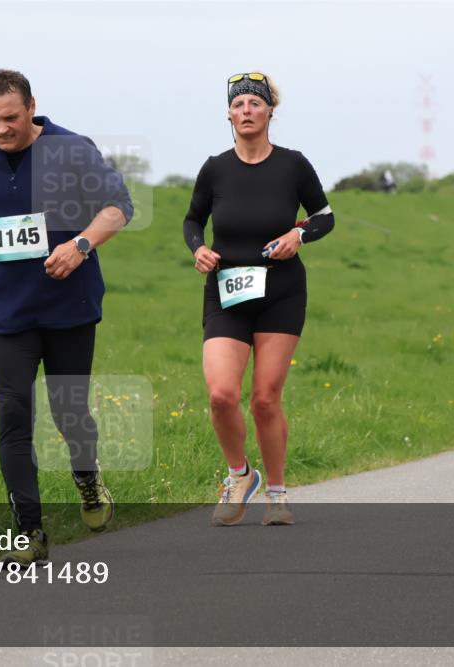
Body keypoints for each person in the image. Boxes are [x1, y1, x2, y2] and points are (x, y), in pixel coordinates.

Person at [0, 69, 133, 565]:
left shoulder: (72, 150)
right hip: (6, 311)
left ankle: (87, 480)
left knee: (69, 413)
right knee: (13, 415)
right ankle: (30, 533)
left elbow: (118, 207)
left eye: (9, 118)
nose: (0, 129)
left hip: (69, 308)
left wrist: (81, 244)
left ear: (31, 108)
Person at [182, 72, 335, 527]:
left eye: (255, 103)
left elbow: (324, 216)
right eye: (239, 104)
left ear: (270, 112)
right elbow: (193, 220)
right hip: (226, 293)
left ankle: (277, 493)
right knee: (221, 394)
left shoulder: (293, 165)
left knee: (265, 399)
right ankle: (238, 475)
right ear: (229, 115)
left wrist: (298, 234)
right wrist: (199, 249)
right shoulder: (215, 168)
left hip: (280, 294)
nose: (246, 110)